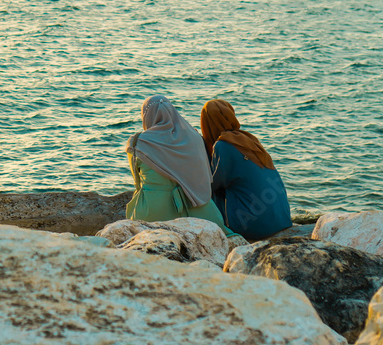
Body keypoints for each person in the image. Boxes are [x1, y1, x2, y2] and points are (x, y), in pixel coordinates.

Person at [125, 95, 233, 235]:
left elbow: (137, 184)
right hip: (197, 207)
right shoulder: (195, 137)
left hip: (153, 212)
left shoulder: (137, 143)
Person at [201, 99, 292, 240]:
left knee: (210, 191)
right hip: (282, 218)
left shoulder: (223, 145)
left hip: (253, 225)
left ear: (207, 124)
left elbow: (213, 185)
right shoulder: (249, 139)